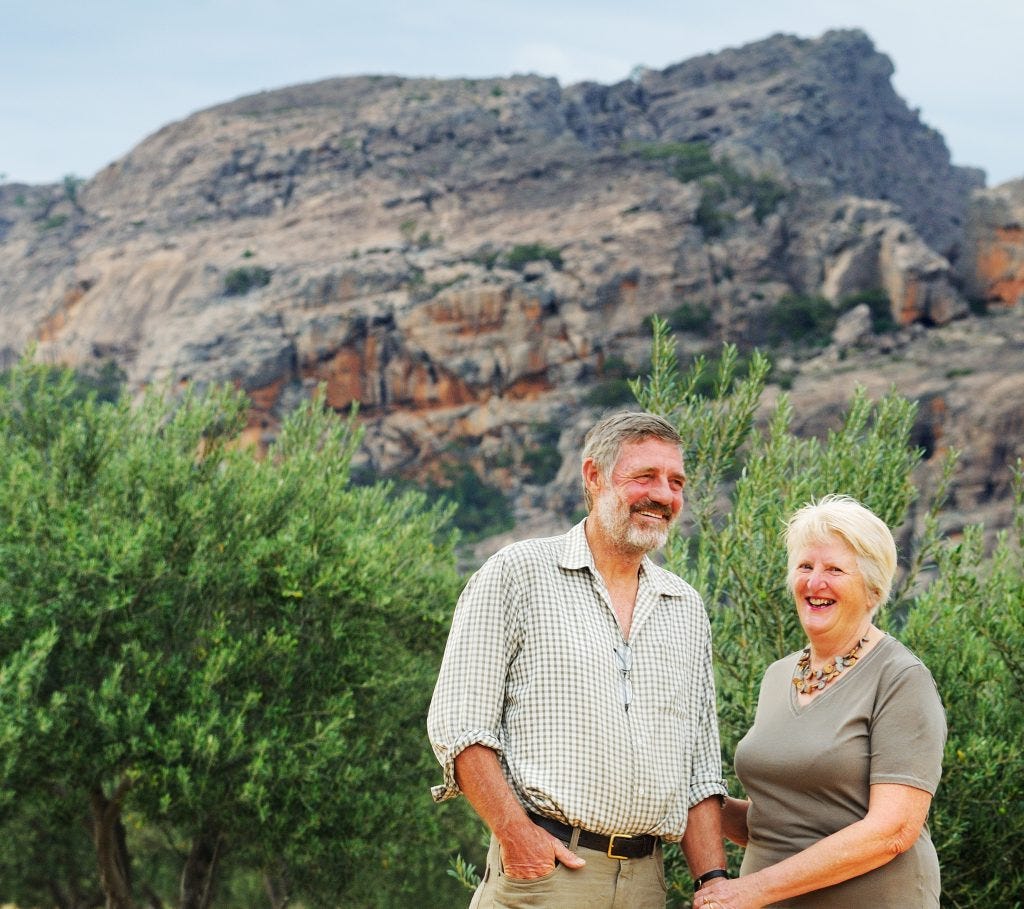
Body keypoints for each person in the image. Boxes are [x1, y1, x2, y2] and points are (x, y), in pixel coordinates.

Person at [428, 410, 729, 908]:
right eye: (645, 477)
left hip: (647, 886)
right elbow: (459, 726)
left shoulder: (687, 608)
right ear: (594, 476)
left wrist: (712, 881)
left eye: (676, 481)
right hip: (545, 877)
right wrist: (517, 838)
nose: (664, 495)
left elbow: (699, 771)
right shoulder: (517, 573)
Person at [695, 495, 947, 909]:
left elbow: (893, 830)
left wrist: (750, 891)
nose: (815, 583)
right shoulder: (778, 676)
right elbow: (776, 821)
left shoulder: (901, 678)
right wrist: (692, 797)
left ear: (872, 588)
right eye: (805, 567)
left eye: (834, 569)